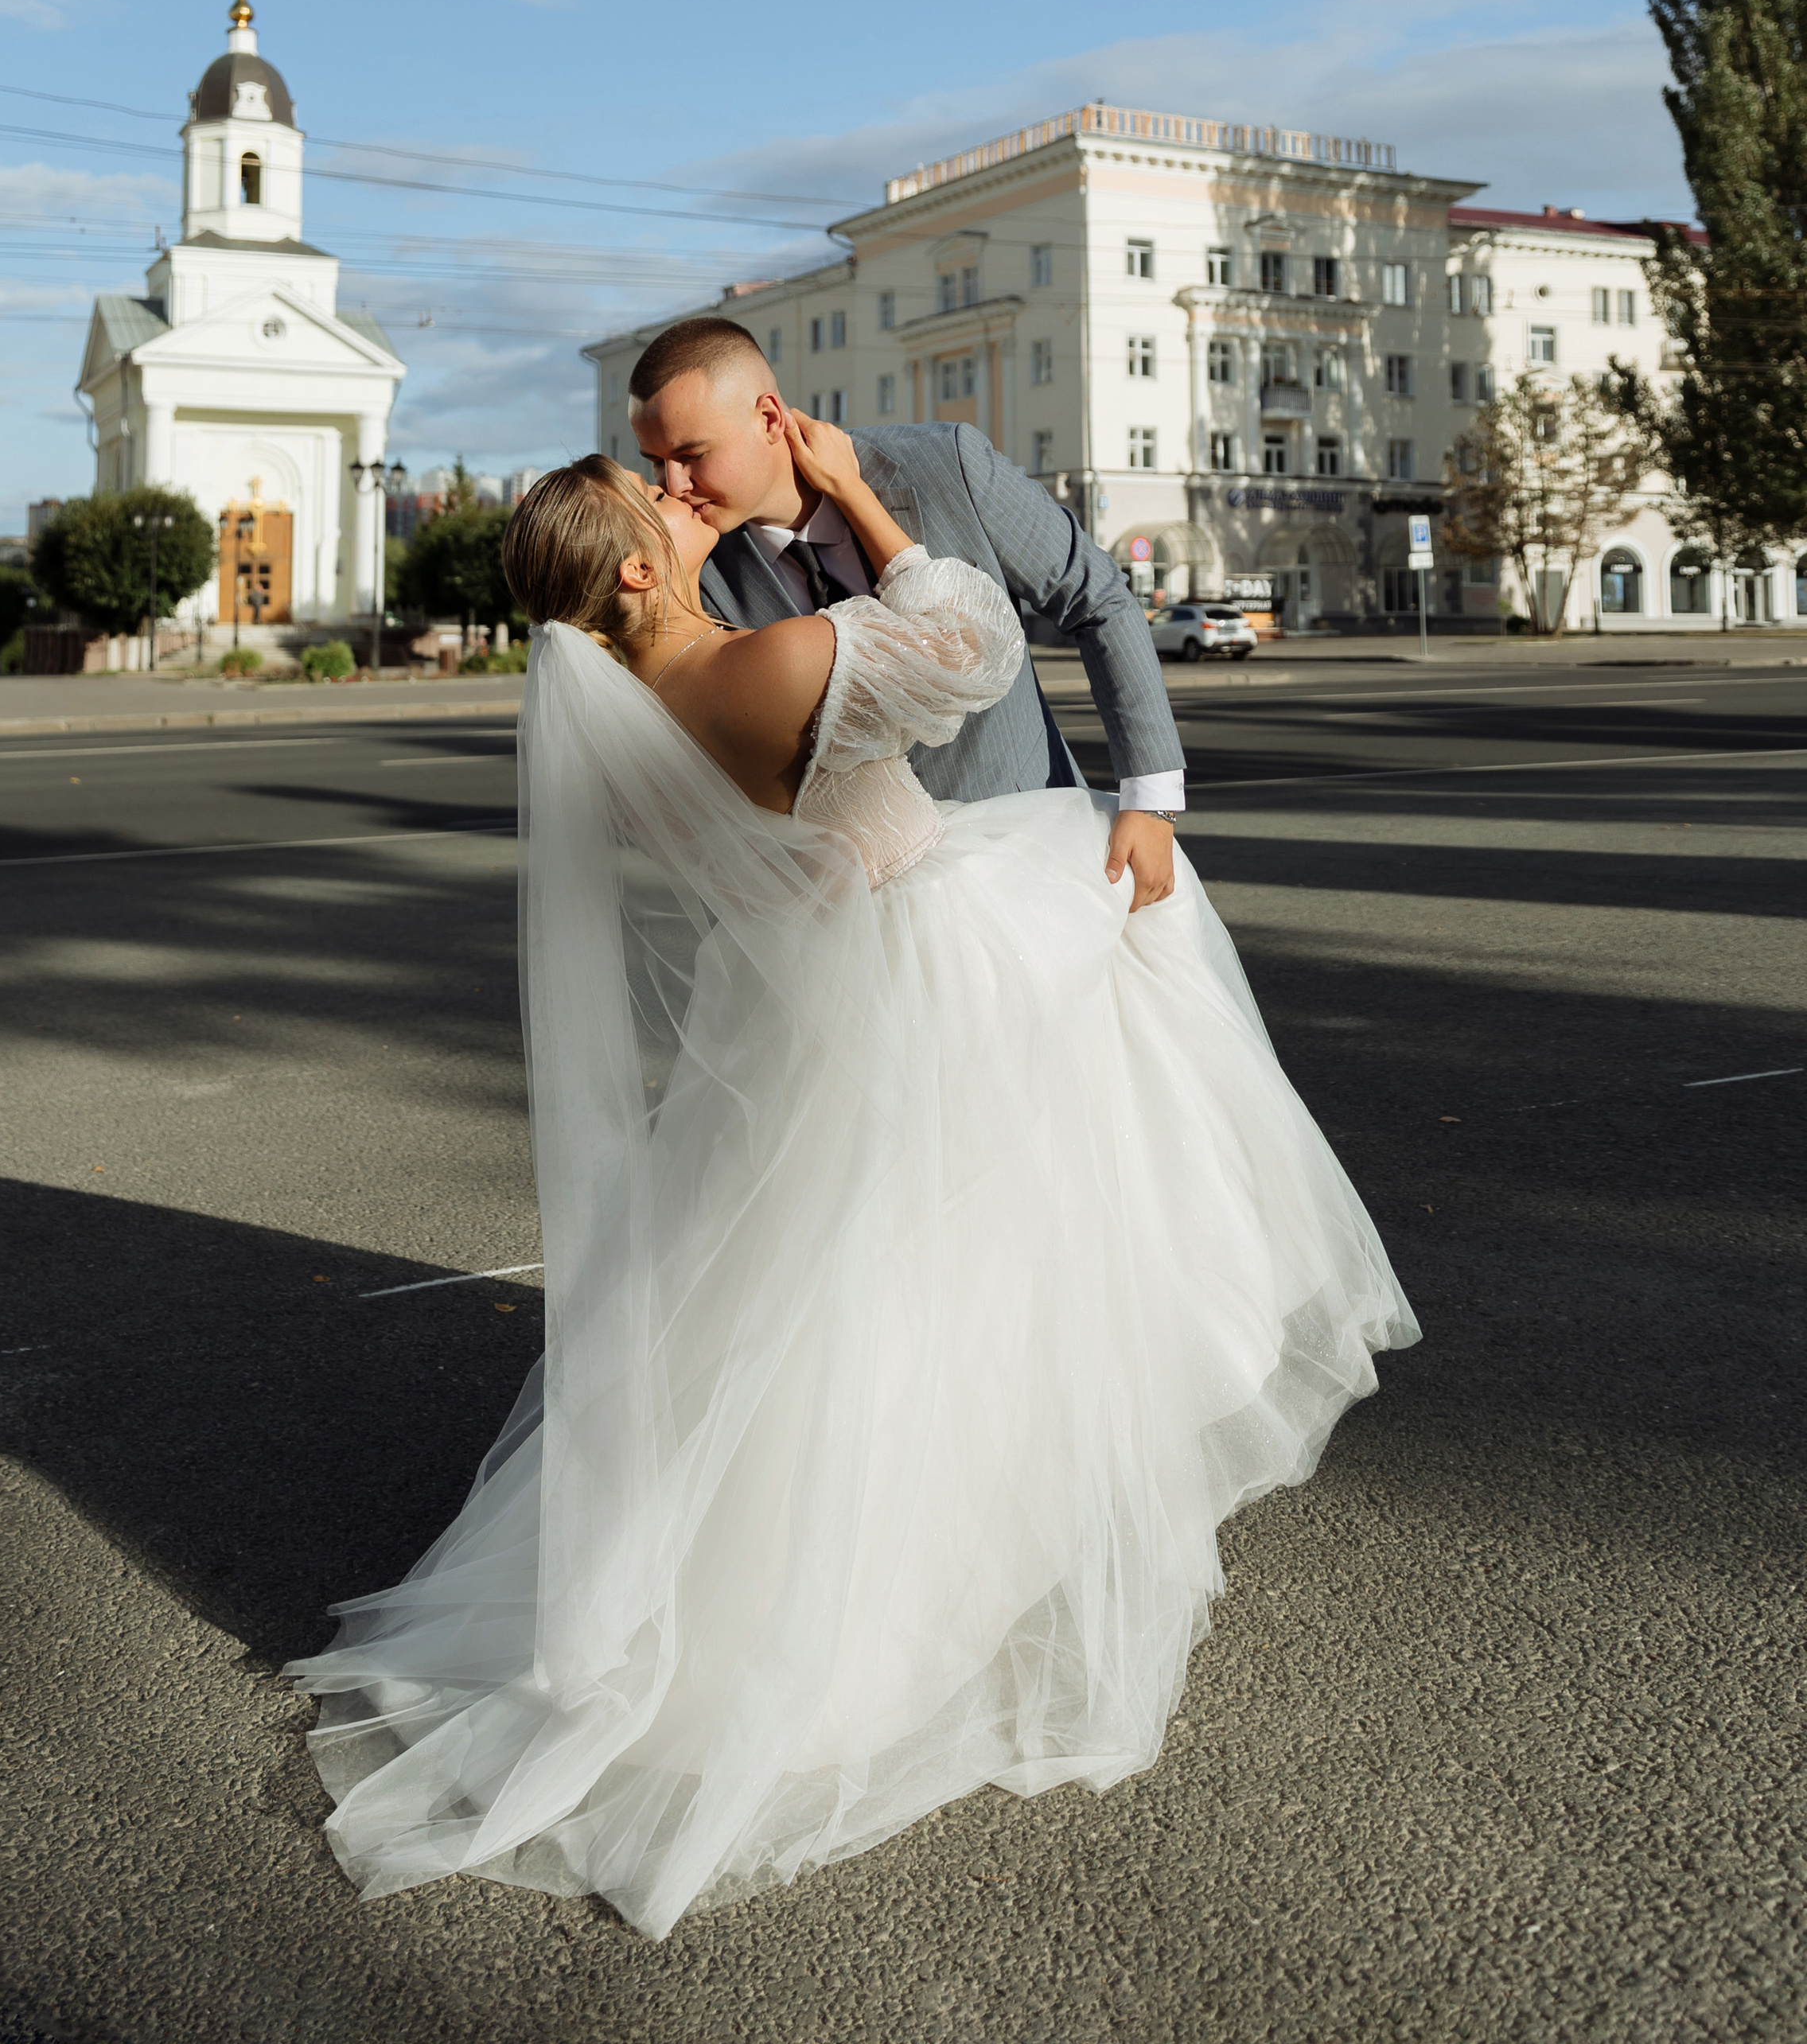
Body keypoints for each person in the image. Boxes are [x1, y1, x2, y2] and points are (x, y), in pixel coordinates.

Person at [287, 422, 1418, 1942]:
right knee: (1003, 1242)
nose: (684, 502)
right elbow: (970, 646)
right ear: (635, 567)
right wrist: (864, 495)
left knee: (847, 1274)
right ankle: (931, 1565)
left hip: (836, 973)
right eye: (658, 504)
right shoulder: (765, 662)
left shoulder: (631, 705)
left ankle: (844, 1540)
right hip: (935, 948)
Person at [626, 314, 1185, 910]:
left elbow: (1100, 600)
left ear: (768, 418)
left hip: (1051, 864)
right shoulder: (700, 574)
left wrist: (1151, 802)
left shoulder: (947, 464)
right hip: (878, 928)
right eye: (656, 463)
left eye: (691, 454)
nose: (675, 483)